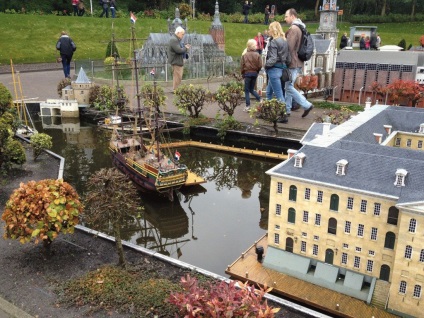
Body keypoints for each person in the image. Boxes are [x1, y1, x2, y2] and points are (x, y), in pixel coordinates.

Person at [283, 8, 314, 118]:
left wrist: (283, 60)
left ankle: (307, 105)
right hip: (298, 62)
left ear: (292, 16)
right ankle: (286, 110)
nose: (285, 19)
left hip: (292, 62)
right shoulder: (302, 27)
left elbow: (289, 47)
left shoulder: (294, 29)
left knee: (288, 87)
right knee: (288, 85)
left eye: (286, 16)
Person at [264, 21, 290, 123]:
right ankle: (266, 111)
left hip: (273, 69)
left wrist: (266, 65)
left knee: (279, 94)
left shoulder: (274, 41)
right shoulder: (284, 40)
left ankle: (283, 116)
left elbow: (273, 58)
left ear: (273, 29)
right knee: (269, 91)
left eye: (270, 28)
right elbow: (288, 58)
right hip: (282, 68)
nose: (269, 30)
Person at [240, 39, 262, 112]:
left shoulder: (245, 55)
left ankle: (248, 106)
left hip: (247, 73)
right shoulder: (257, 55)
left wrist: (243, 73)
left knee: (246, 90)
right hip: (254, 73)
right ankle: (260, 99)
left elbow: (242, 66)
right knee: (252, 89)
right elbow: (260, 65)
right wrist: (257, 71)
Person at [168, 26, 190, 92]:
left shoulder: (177, 39)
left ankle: (176, 89)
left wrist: (185, 48)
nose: (183, 35)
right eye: (182, 34)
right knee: (178, 76)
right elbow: (178, 50)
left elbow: (180, 49)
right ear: (178, 33)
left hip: (178, 61)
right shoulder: (174, 40)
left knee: (178, 76)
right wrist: (186, 48)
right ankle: (176, 90)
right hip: (176, 61)